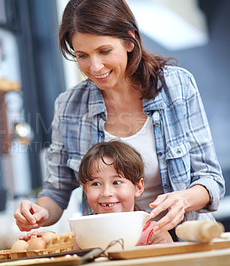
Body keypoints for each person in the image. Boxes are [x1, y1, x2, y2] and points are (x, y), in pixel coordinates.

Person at [14, 0, 225, 239]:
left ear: (129, 40)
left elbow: (211, 180)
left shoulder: (176, 86)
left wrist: (183, 199)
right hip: (112, 246)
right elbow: (57, 189)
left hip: (185, 240)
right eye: (82, 55)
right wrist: (38, 212)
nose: (95, 67)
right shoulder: (69, 106)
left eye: (104, 51)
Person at [78, 140, 173, 245]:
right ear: (85, 190)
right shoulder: (81, 237)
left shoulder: (155, 234)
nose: (106, 193)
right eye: (96, 184)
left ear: (138, 187)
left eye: (116, 182)